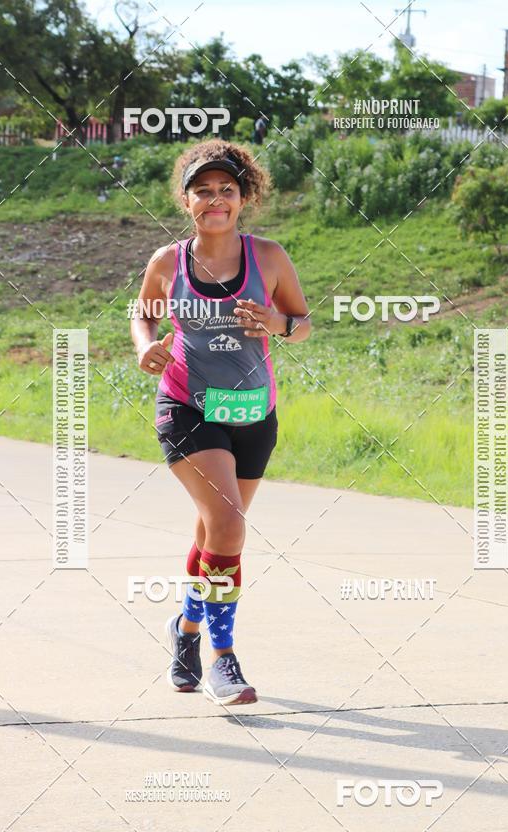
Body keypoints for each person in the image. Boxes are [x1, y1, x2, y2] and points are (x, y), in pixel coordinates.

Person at [130, 140, 311, 705]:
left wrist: (277, 323)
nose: (215, 200)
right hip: (187, 406)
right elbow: (143, 313)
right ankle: (222, 659)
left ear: (243, 198)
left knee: (215, 533)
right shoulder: (168, 262)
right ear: (186, 202)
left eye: (226, 190)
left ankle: (184, 630)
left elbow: (302, 322)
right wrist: (145, 345)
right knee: (229, 526)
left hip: (254, 412)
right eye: (203, 191)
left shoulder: (270, 258)